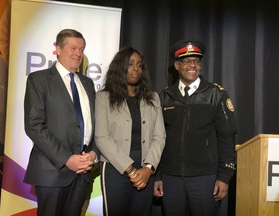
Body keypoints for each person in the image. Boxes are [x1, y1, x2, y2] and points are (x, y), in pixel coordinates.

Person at [153, 39, 237, 216]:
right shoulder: (164, 96)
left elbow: (227, 137)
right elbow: (158, 139)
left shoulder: (216, 94)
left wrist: (224, 176)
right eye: (187, 61)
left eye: (196, 61)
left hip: (205, 179)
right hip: (171, 178)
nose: (193, 65)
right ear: (177, 65)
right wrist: (158, 175)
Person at [24, 29, 98, 216]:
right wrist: (66, 158)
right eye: (73, 48)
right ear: (57, 49)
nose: (78, 54)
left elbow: (95, 125)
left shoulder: (88, 84)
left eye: (81, 49)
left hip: (82, 174)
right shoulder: (39, 80)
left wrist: (93, 154)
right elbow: (34, 125)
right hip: (52, 172)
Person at [95, 47, 166, 216]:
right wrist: (131, 170)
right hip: (115, 168)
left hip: (145, 169)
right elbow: (101, 137)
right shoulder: (103, 97)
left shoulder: (153, 98)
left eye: (139, 65)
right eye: (131, 64)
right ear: (120, 67)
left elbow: (160, 136)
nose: (136, 68)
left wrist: (148, 168)